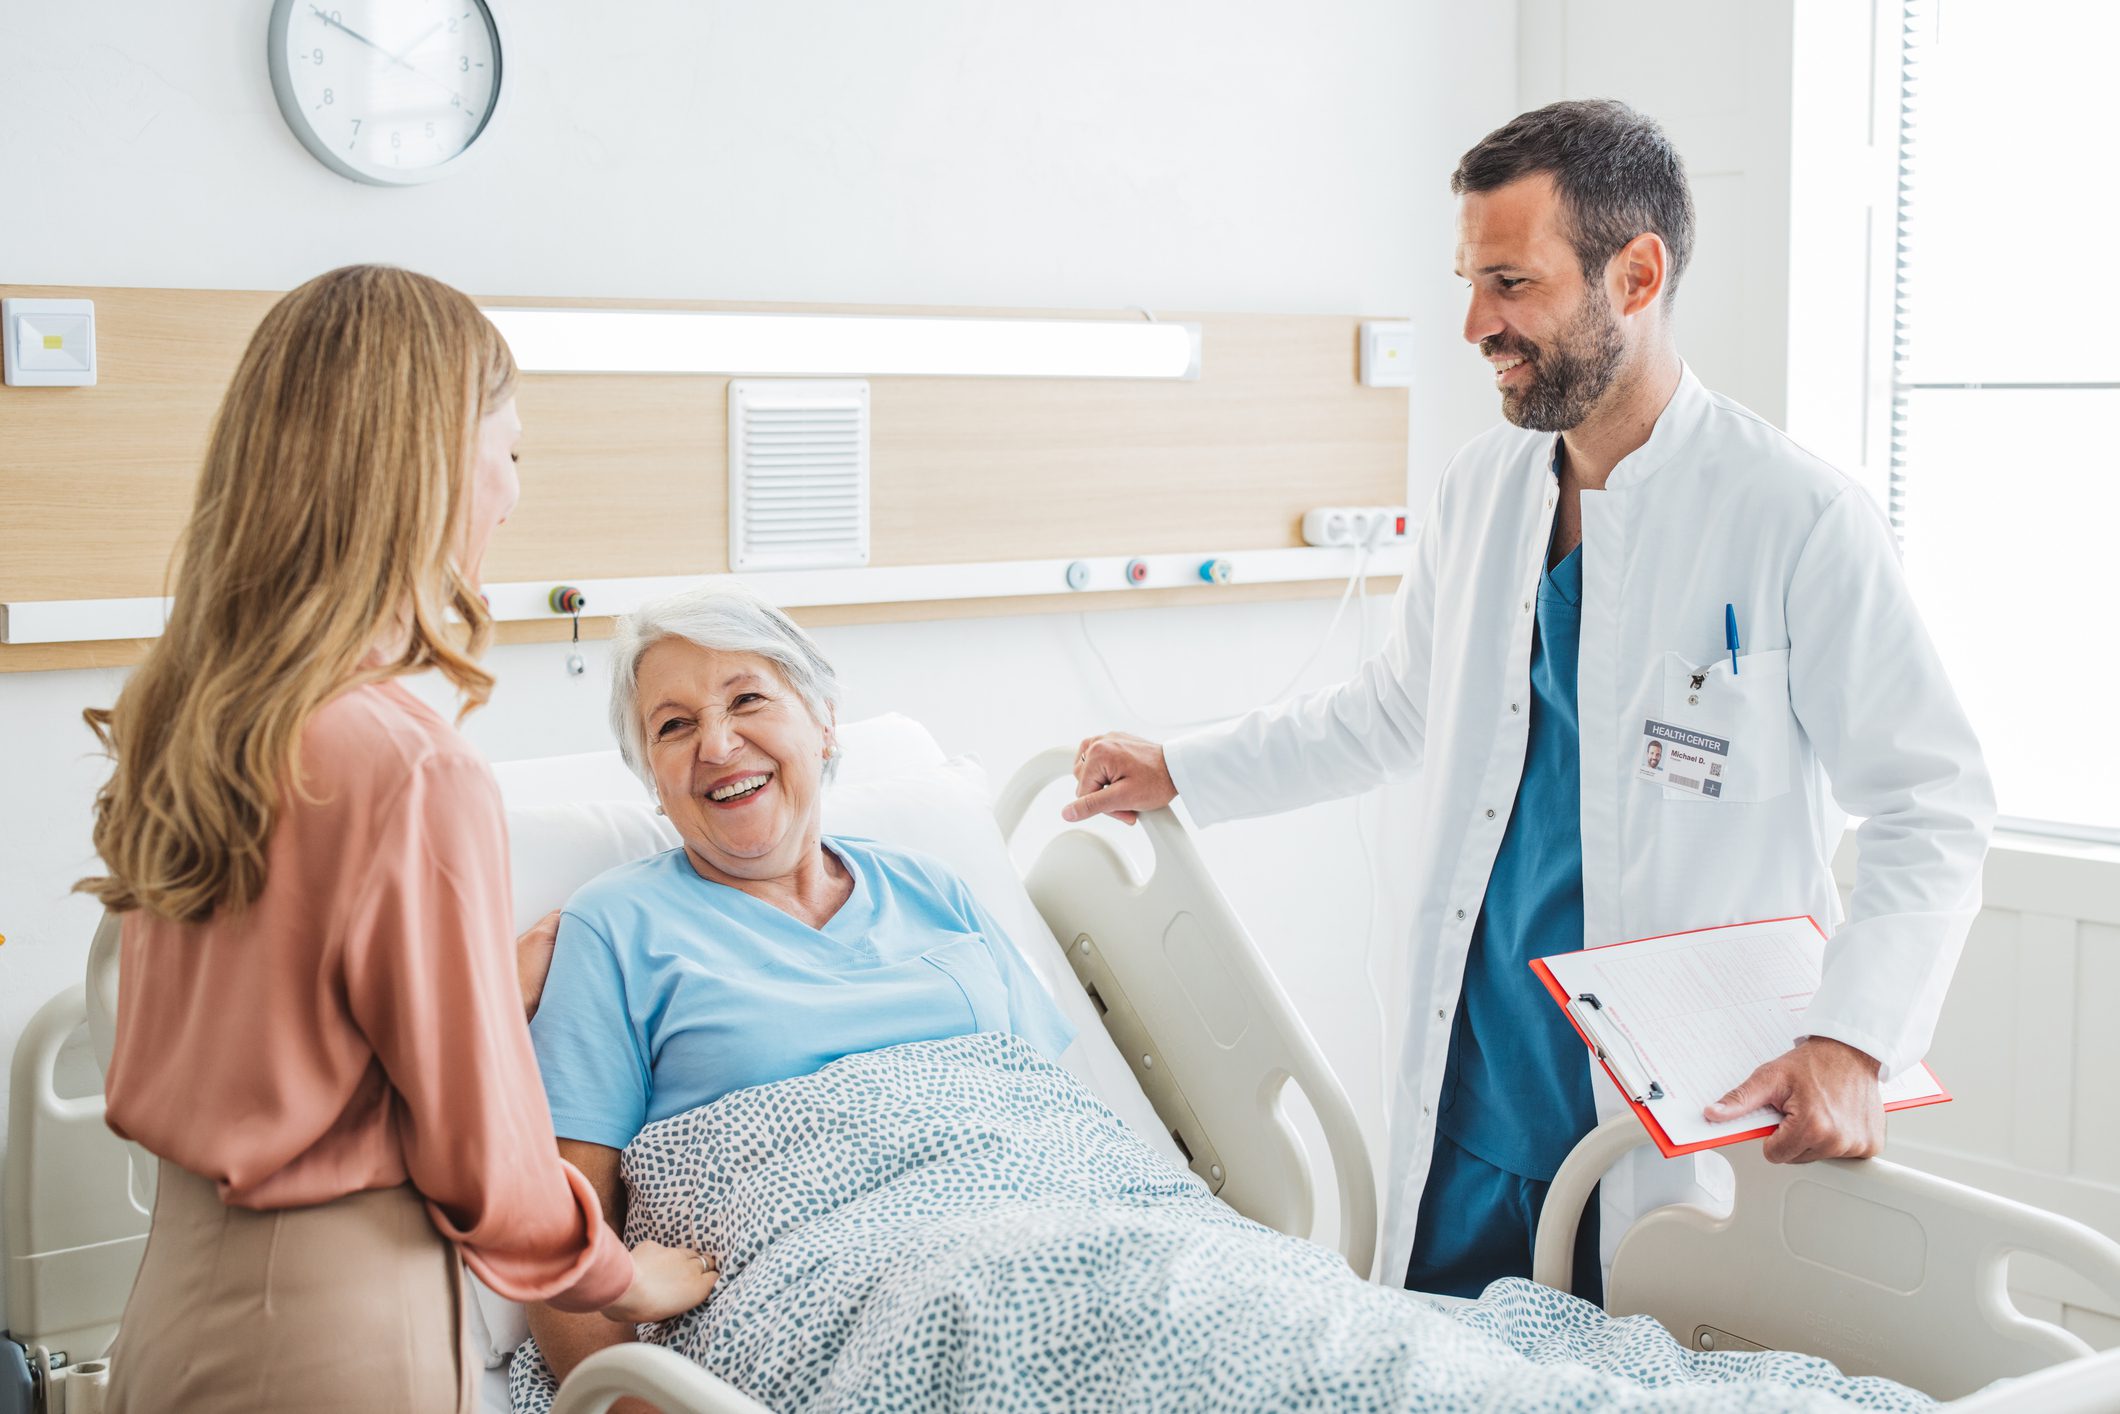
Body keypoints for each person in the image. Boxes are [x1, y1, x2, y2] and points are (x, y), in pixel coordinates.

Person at [1066, 101, 1993, 1301]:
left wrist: (1854, 1039)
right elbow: (1396, 710)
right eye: (1467, 282)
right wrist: (1181, 766)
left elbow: (1931, 800)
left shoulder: (1793, 517)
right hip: (1479, 1083)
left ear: (1636, 273)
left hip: (1665, 1110)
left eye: (1508, 282)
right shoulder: (1482, 487)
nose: (1473, 326)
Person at [81, 265, 714, 1412]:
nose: (512, 497)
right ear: (421, 461)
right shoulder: (408, 762)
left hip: (170, 1316)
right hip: (328, 1330)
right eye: (508, 451)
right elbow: (485, 1160)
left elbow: (277, 1012)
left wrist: (477, 980)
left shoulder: (192, 716)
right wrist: (622, 1275)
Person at [519, 585, 1074, 1392]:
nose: (716, 743)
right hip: (841, 1306)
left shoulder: (931, 885)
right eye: (673, 726)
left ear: (823, 724)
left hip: (1070, 1225)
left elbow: (1054, 1117)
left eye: (747, 698)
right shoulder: (614, 925)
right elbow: (559, 1222)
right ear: (653, 777)